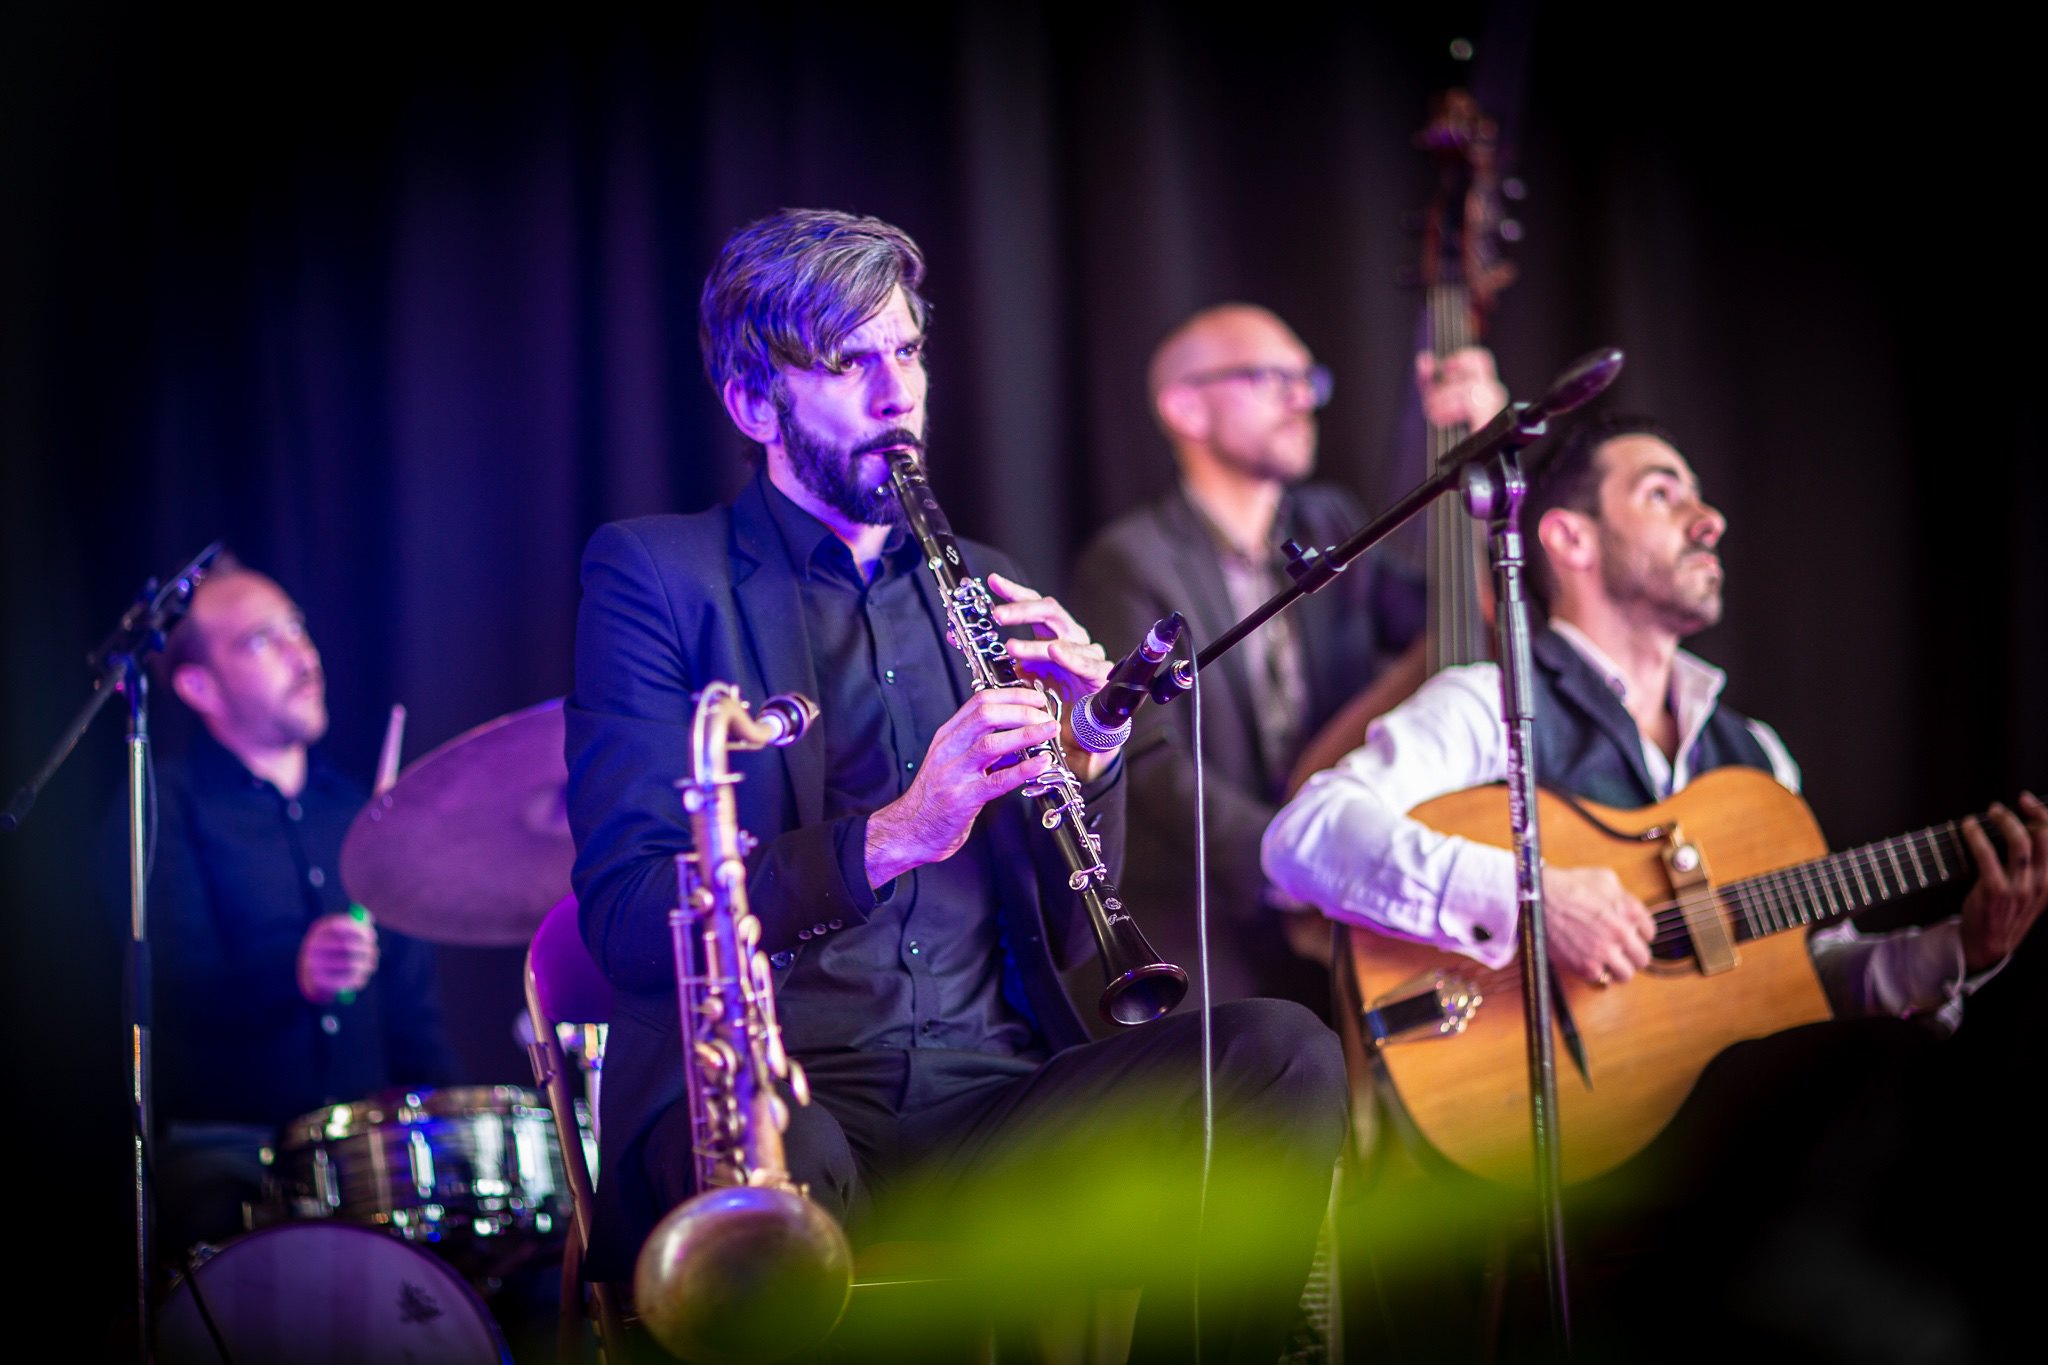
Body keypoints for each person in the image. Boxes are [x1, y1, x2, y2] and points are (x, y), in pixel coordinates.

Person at [565, 210, 1345, 1362]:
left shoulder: (985, 583)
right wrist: (892, 834)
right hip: (782, 1098)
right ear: (752, 404)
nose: (897, 394)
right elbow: (631, 921)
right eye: (848, 362)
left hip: (991, 1103)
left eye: (907, 350)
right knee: (791, 1164)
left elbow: (1077, 938)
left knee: (1281, 1058)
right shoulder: (656, 577)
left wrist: (1093, 747)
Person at [1260, 413, 2048, 1355]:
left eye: (1698, 496)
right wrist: (1530, 896)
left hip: (1730, 1180)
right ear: (1570, 537)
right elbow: (1302, 835)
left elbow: (1805, 976)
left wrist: (1959, 950)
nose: (1710, 518)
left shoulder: (1754, 757)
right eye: (1664, 492)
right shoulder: (1485, 702)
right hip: (1533, 1157)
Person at [1067, 303, 1505, 1012]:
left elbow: (1454, 629)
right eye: (1271, 377)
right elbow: (1148, 760)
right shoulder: (1129, 561)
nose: (1302, 398)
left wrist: (1478, 451)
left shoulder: (1330, 521)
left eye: (1308, 378)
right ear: (1185, 407)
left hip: (1345, 902)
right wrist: (1297, 861)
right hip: (1211, 921)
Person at [108, 560, 458, 1257]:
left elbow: (413, 1022)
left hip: (366, 1160)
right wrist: (292, 975)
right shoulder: (161, 806)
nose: (304, 651)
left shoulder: (363, 813)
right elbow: (168, 992)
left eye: (297, 627)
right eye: (262, 640)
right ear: (198, 684)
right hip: (227, 1152)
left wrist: (457, 1136)